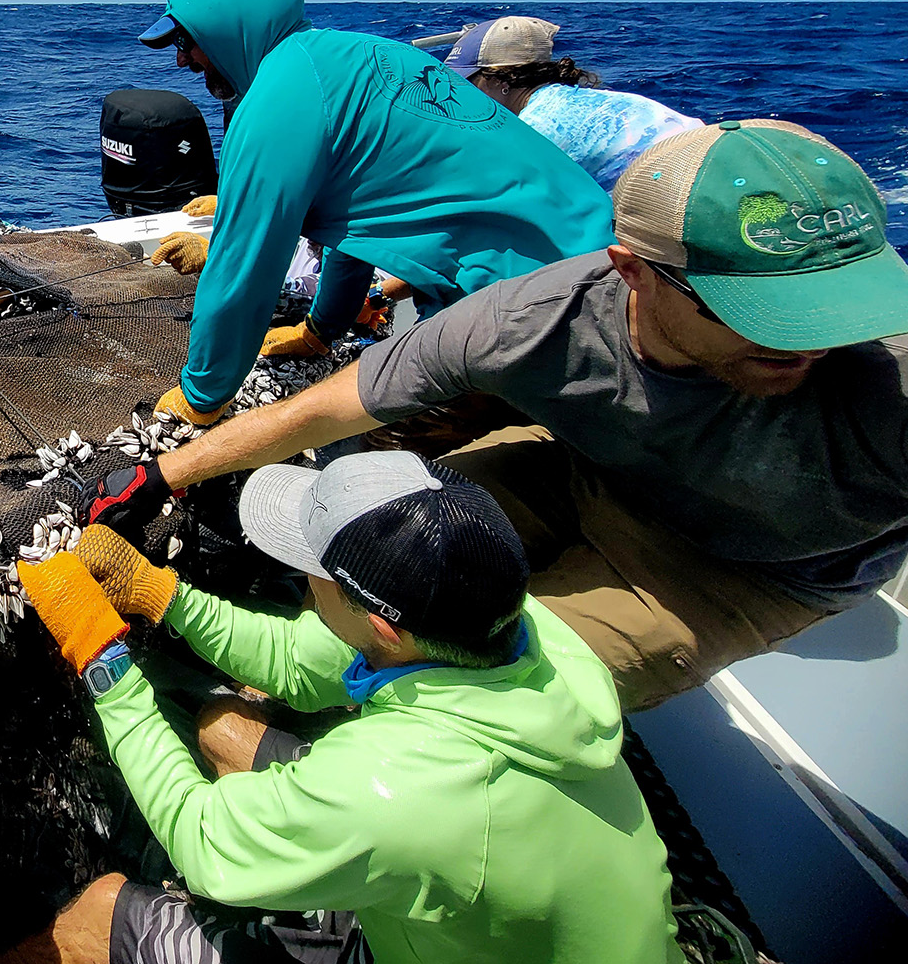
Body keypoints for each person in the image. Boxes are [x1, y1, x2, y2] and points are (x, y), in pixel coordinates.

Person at [89, 119, 908, 711]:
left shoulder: (887, 376)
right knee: (368, 555)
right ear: (633, 271)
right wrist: (161, 473)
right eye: (753, 308)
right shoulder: (535, 315)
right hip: (586, 471)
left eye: (830, 304)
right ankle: (291, 678)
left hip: (739, 572)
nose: (810, 340)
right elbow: (340, 401)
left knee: (463, 697)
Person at [8, 452, 681, 964]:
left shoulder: (399, 789)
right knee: (222, 731)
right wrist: (161, 593)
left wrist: (103, 660)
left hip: (419, 863)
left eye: (314, 568)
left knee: (102, 913)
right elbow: (301, 662)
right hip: (478, 903)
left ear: (382, 626)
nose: (303, 578)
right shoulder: (507, 624)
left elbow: (203, 838)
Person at [135, 0, 615, 423]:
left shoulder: (277, 98)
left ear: (224, 28)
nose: (182, 61)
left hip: (543, 307)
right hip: (611, 268)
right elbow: (355, 223)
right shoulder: (369, 55)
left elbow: (243, 265)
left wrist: (201, 397)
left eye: (185, 42)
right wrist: (320, 331)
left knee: (388, 448)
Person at [445, 16, 704, 189]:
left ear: (501, 80)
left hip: (679, 196)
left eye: (467, 81)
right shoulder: (581, 100)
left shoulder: (533, 132)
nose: (459, 93)